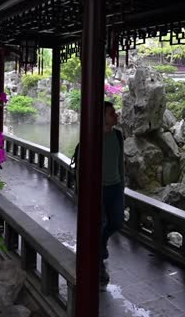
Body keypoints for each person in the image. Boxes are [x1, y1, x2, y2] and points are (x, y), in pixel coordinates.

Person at [71, 101, 125, 289]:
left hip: (115, 187)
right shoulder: (90, 138)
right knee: (99, 223)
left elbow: (120, 163)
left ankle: (100, 243)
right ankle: (98, 261)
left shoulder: (118, 136)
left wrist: (122, 186)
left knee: (117, 222)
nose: (116, 116)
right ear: (101, 117)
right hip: (97, 189)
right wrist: (81, 192)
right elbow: (81, 169)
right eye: (112, 113)